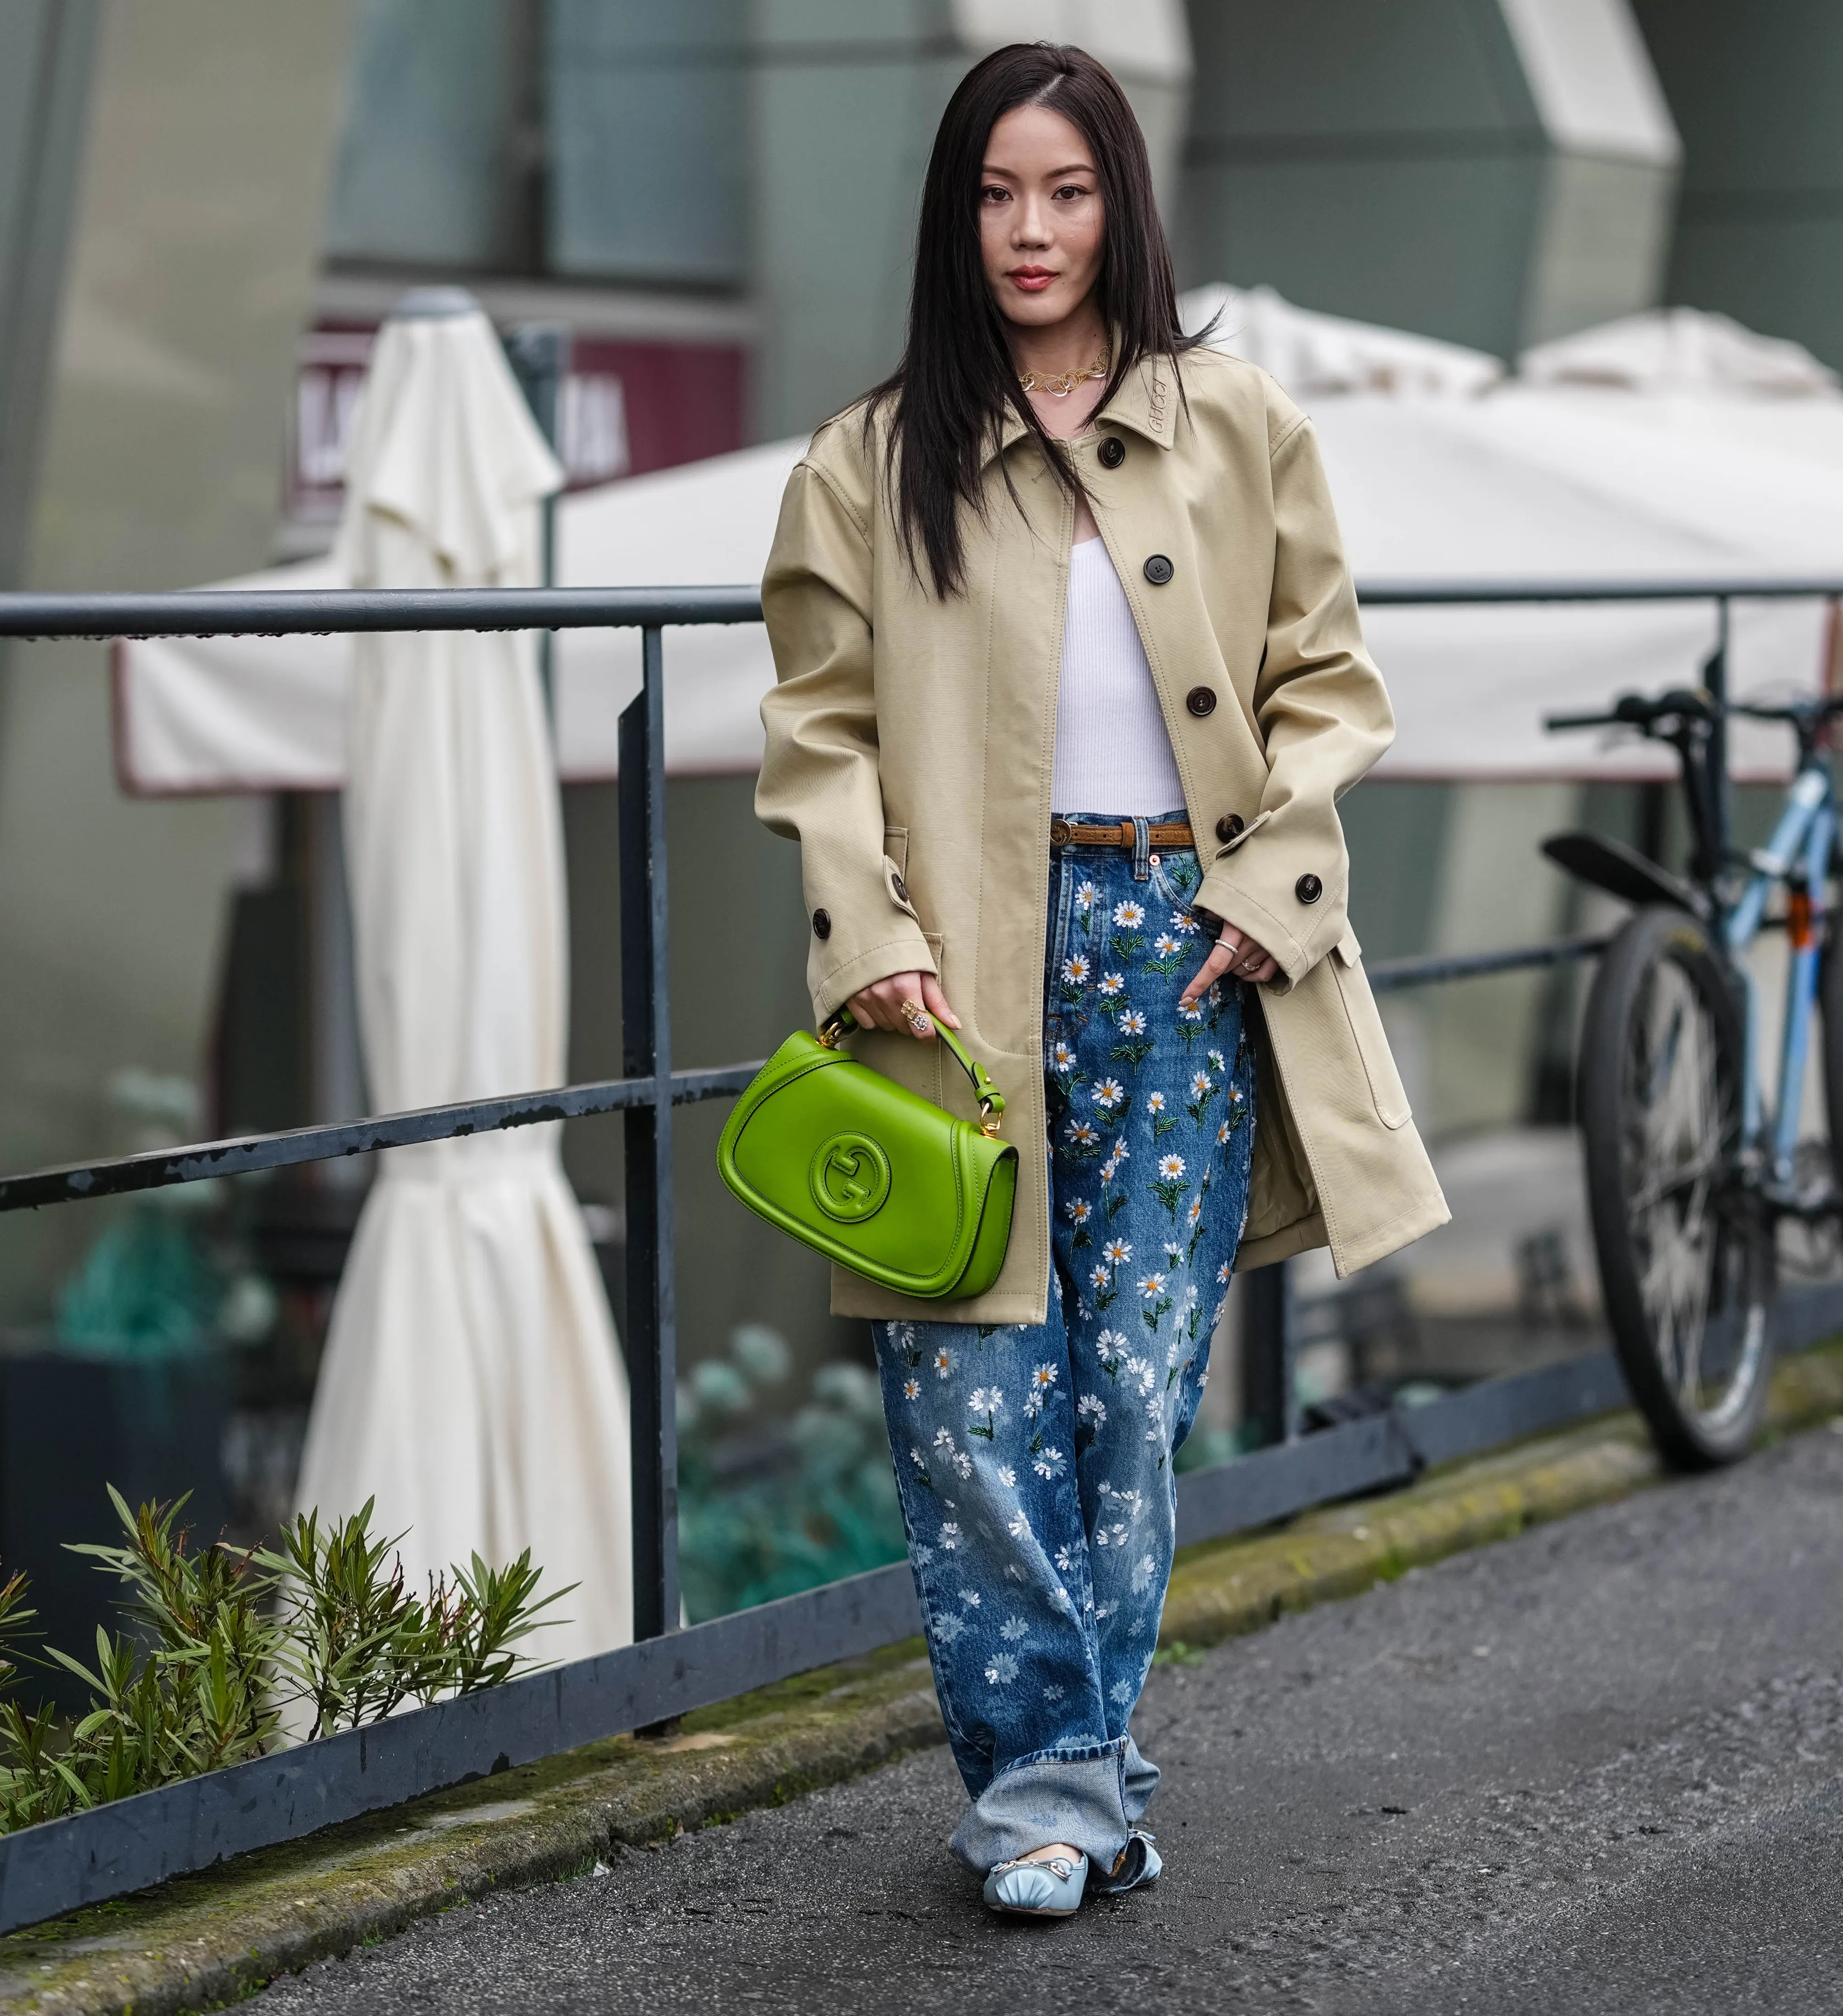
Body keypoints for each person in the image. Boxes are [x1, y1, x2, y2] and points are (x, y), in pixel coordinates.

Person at [755, 41, 1447, 1921]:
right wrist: (868, 933)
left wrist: (1276, 887)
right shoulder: (864, 460)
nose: (1031, 229)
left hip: (1182, 948)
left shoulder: (1240, 424)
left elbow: (1330, 682)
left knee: (1129, 1391)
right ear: (953, 217)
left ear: (1120, 204)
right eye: (995, 194)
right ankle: (1057, 1786)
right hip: (953, 974)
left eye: (1065, 191)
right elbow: (817, 733)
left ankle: (1059, 1789)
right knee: (968, 1391)